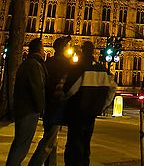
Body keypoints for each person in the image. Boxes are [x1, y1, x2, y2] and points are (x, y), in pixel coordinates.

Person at [63, 41, 116, 166]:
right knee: (86, 145)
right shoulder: (102, 69)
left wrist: (65, 100)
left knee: (73, 145)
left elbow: (71, 89)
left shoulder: (79, 67)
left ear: (82, 51)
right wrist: (101, 106)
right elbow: (112, 89)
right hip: (91, 113)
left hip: (77, 112)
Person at [28, 35, 72, 166]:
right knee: (48, 142)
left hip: (48, 104)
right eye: (67, 46)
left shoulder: (48, 62)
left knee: (52, 141)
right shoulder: (66, 64)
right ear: (63, 48)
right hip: (58, 105)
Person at [5, 38, 47, 166]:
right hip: (28, 110)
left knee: (20, 143)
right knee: (21, 145)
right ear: (39, 50)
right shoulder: (34, 65)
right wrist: (41, 107)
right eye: (43, 48)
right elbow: (37, 87)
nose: (44, 51)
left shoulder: (27, 63)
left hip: (23, 108)